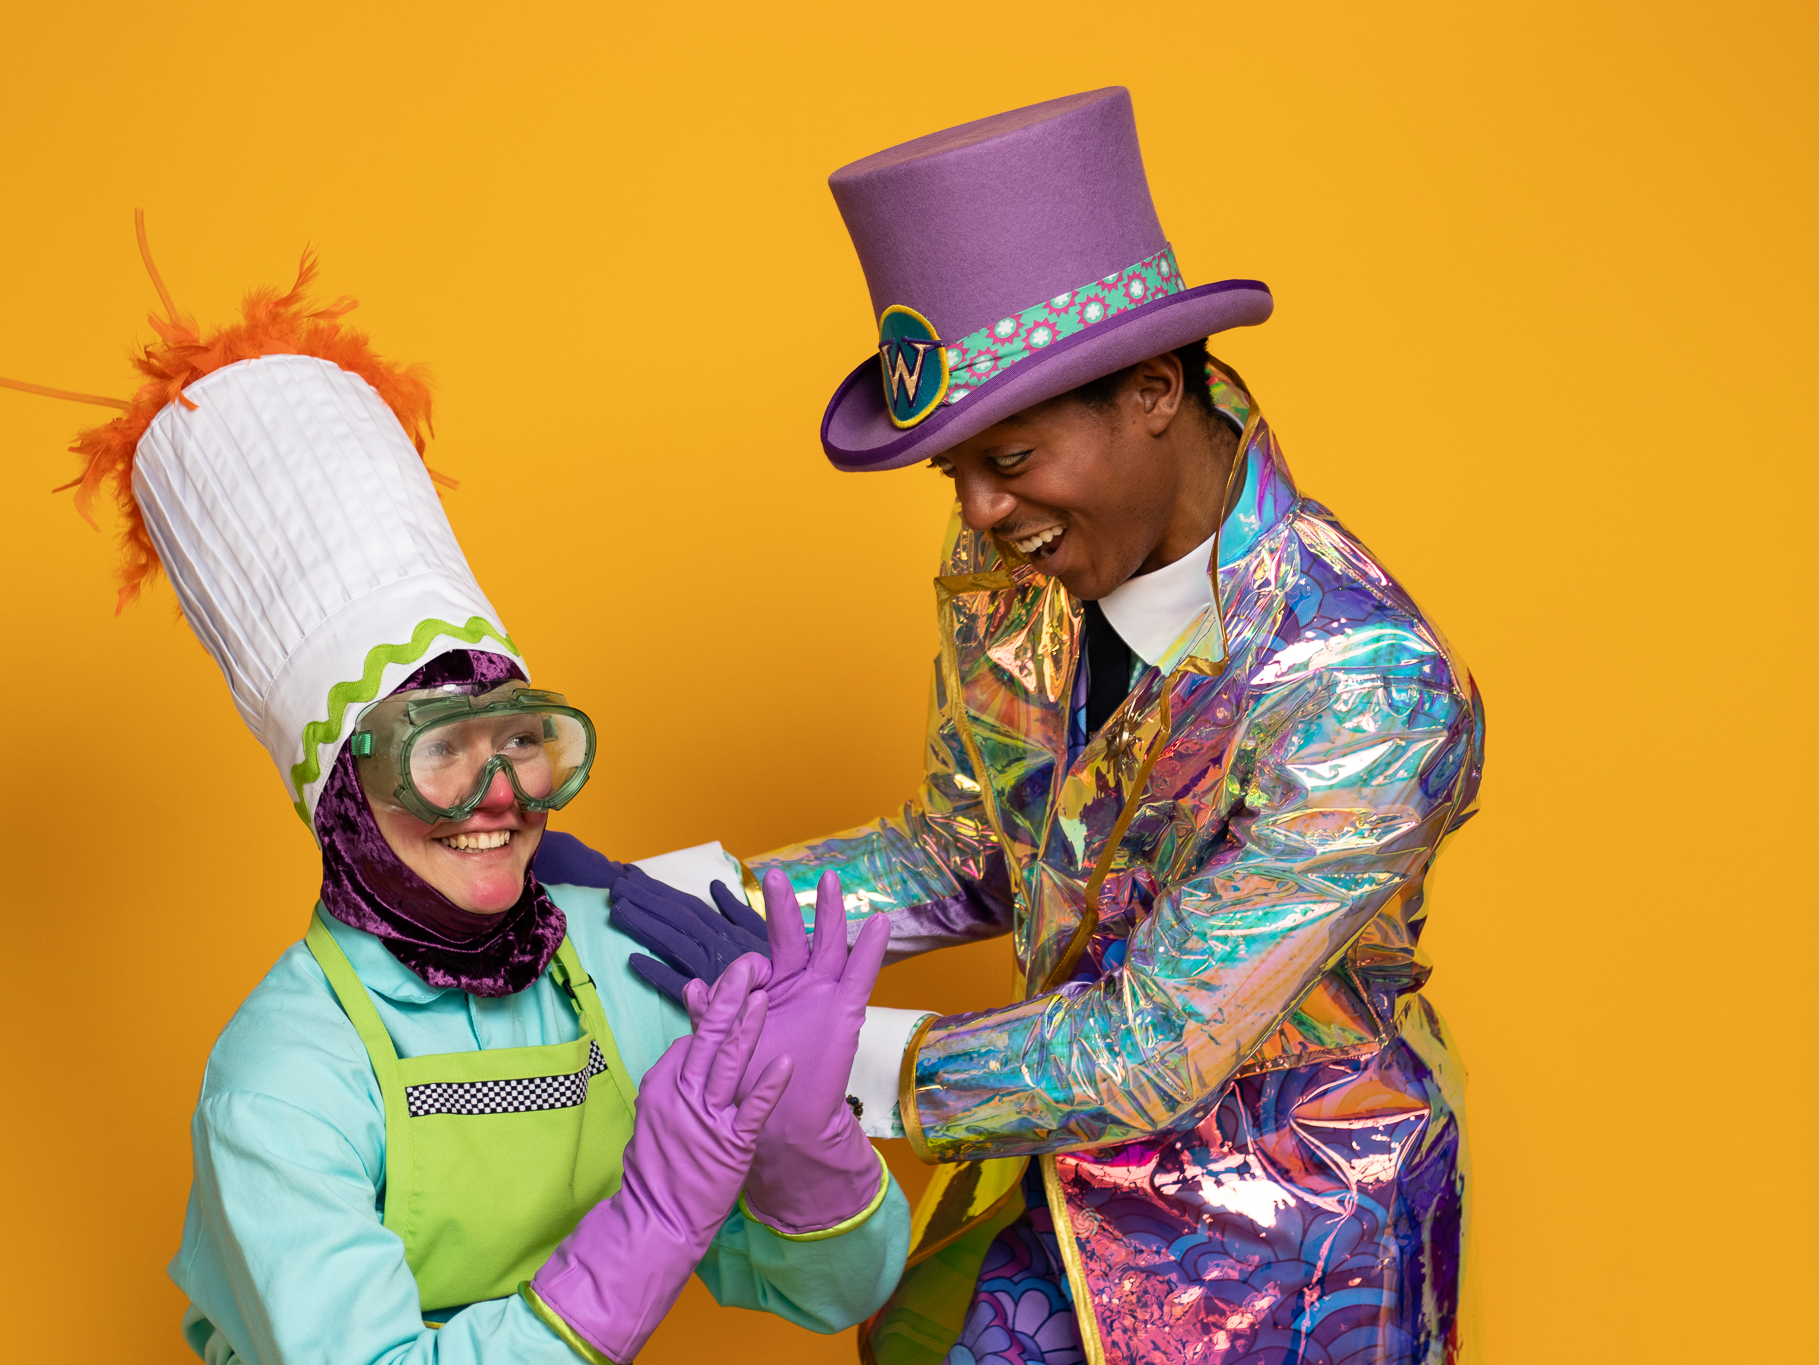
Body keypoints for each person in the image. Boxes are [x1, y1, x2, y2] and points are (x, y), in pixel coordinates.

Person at [612, 90, 1480, 1365]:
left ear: (1152, 390)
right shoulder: (1015, 566)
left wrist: (822, 1059)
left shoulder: (1367, 686)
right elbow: (970, 850)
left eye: (1008, 459)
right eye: (952, 470)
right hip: (1040, 1207)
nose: (976, 510)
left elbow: (1153, 1043)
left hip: (1284, 1267)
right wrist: (680, 913)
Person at [6, 244, 909, 1364]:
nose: (498, 798)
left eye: (522, 742)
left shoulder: (620, 967)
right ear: (344, 794)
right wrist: (649, 1220)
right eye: (439, 754)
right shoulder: (283, 1076)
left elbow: (837, 1296)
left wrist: (805, 1146)